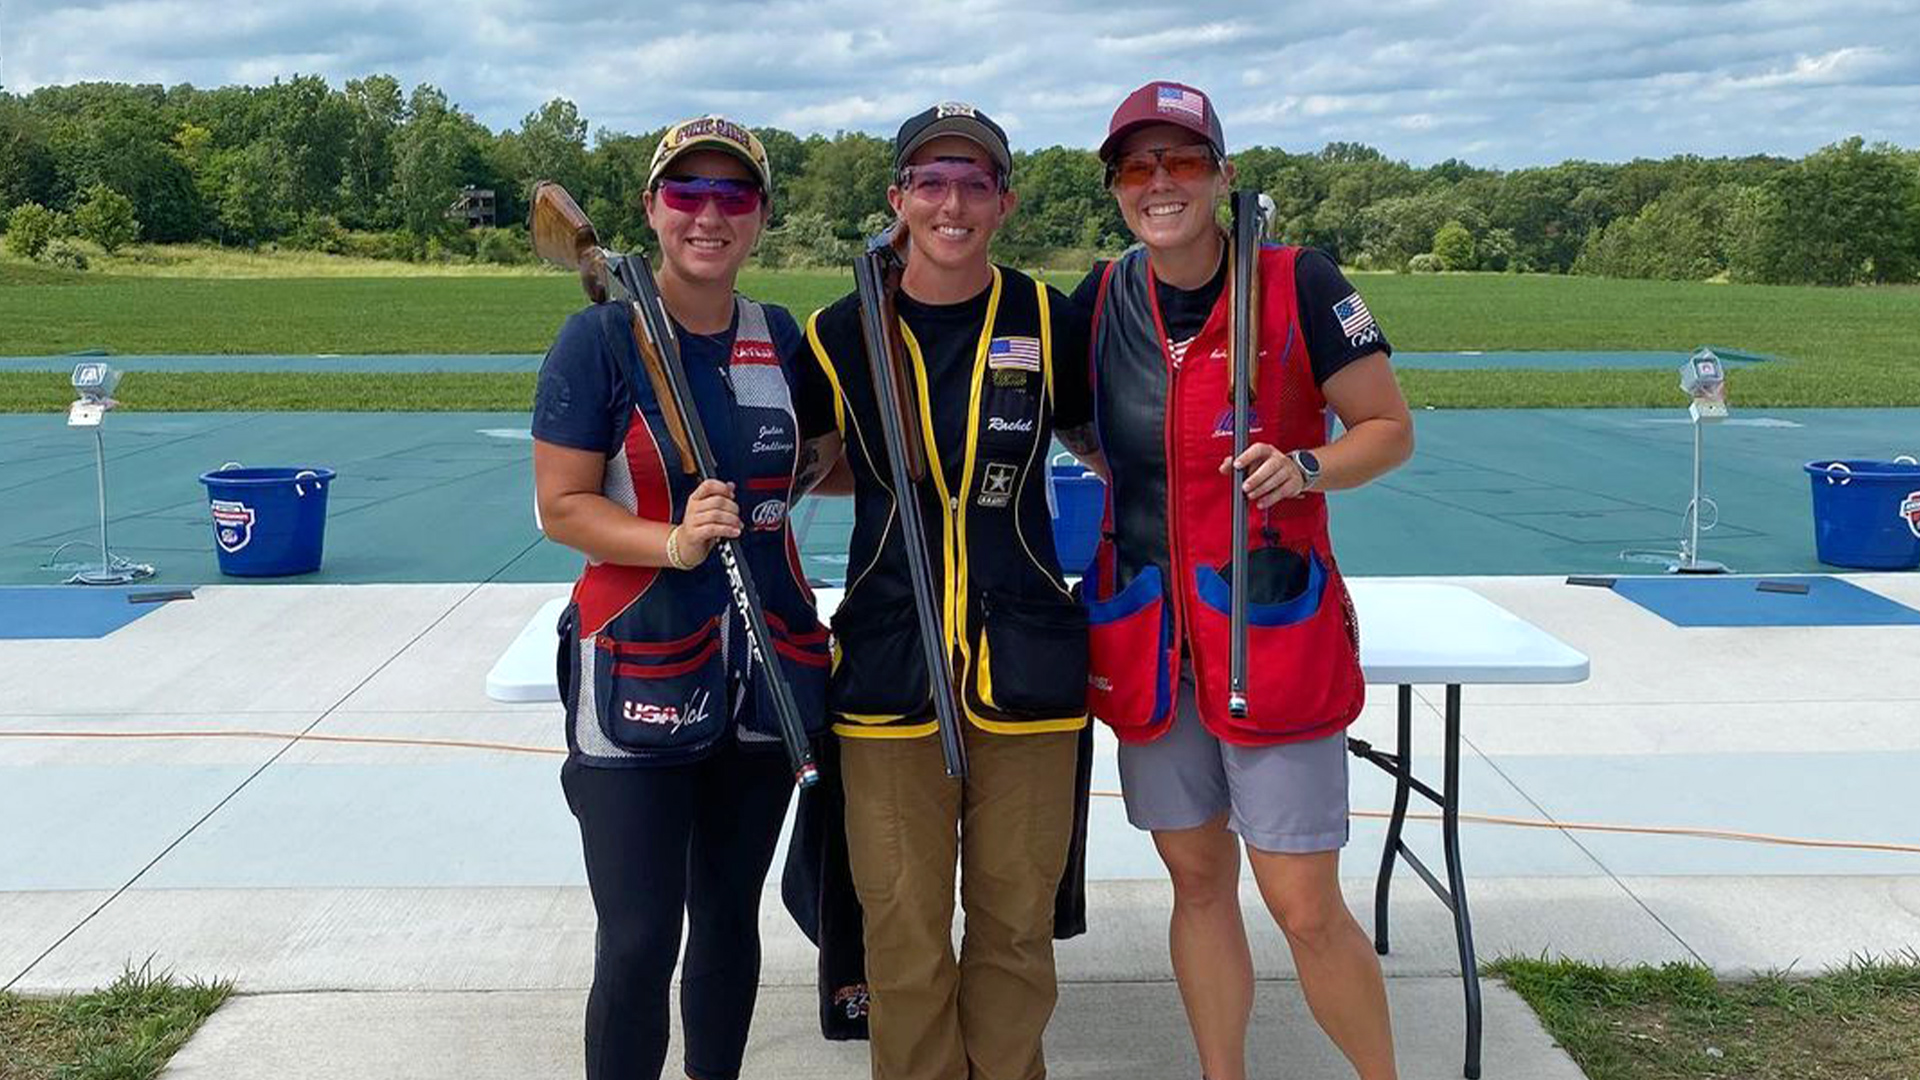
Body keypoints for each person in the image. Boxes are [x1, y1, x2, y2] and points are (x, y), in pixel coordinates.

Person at [1071, 81, 1414, 1080]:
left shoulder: (1299, 280)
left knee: (1305, 905)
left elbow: (1388, 430)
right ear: (1118, 190)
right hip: (1150, 644)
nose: (1160, 182)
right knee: (1200, 884)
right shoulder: (1101, 300)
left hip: (1271, 634)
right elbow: (1077, 423)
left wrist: (1308, 466)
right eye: (1138, 167)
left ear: (1222, 175)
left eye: (1182, 161)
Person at [791, 102, 1099, 1080]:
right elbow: (800, 467)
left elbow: (1117, 448)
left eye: (974, 182)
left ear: (1005, 201)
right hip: (889, 678)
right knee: (906, 935)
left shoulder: (1053, 319)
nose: (951, 202)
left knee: (1015, 929)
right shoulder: (838, 332)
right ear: (898, 199)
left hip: (1028, 676)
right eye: (930, 181)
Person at [531, 114, 831, 1080]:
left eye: (733, 196)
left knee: (728, 926)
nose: (710, 215)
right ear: (654, 209)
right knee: (637, 942)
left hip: (765, 672)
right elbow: (562, 507)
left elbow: (815, 457)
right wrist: (671, 539)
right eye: (688, 194)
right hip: (637, 670)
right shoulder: (598, 341)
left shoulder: (777, 334)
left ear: (761, 216)